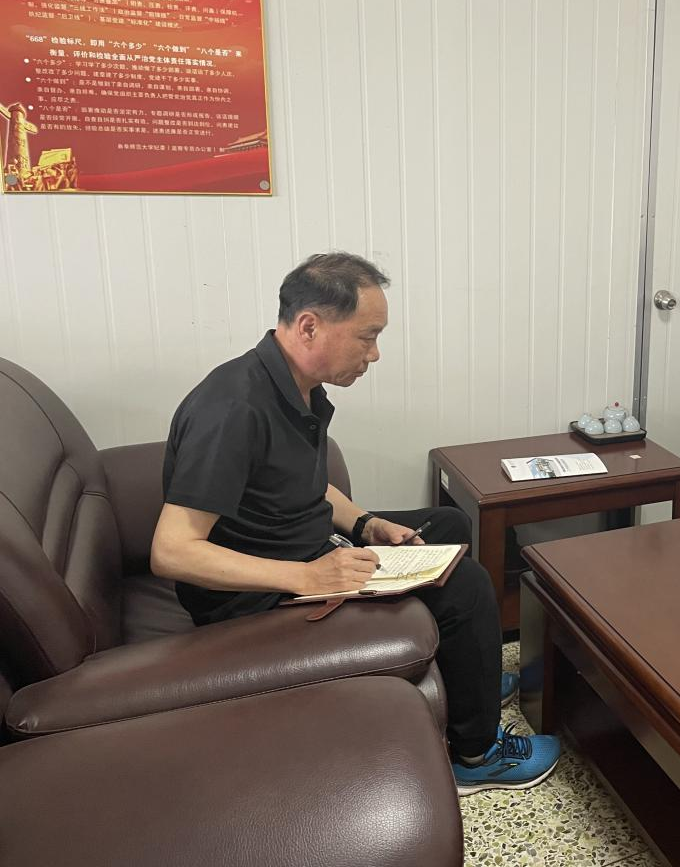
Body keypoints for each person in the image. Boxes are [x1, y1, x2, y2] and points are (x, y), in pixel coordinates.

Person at [151, 251, 560, 795]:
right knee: (466, 586)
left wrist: (366, 524)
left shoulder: (295, 385)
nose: (375, 354)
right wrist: (305, 577)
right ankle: (476, 754)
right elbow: (172, 550)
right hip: (255, 596)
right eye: (367, 337)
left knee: (444, 525)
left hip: (303, 548)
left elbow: (304, 481)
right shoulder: (233, 409)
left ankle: (469, 678)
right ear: (309, 326)